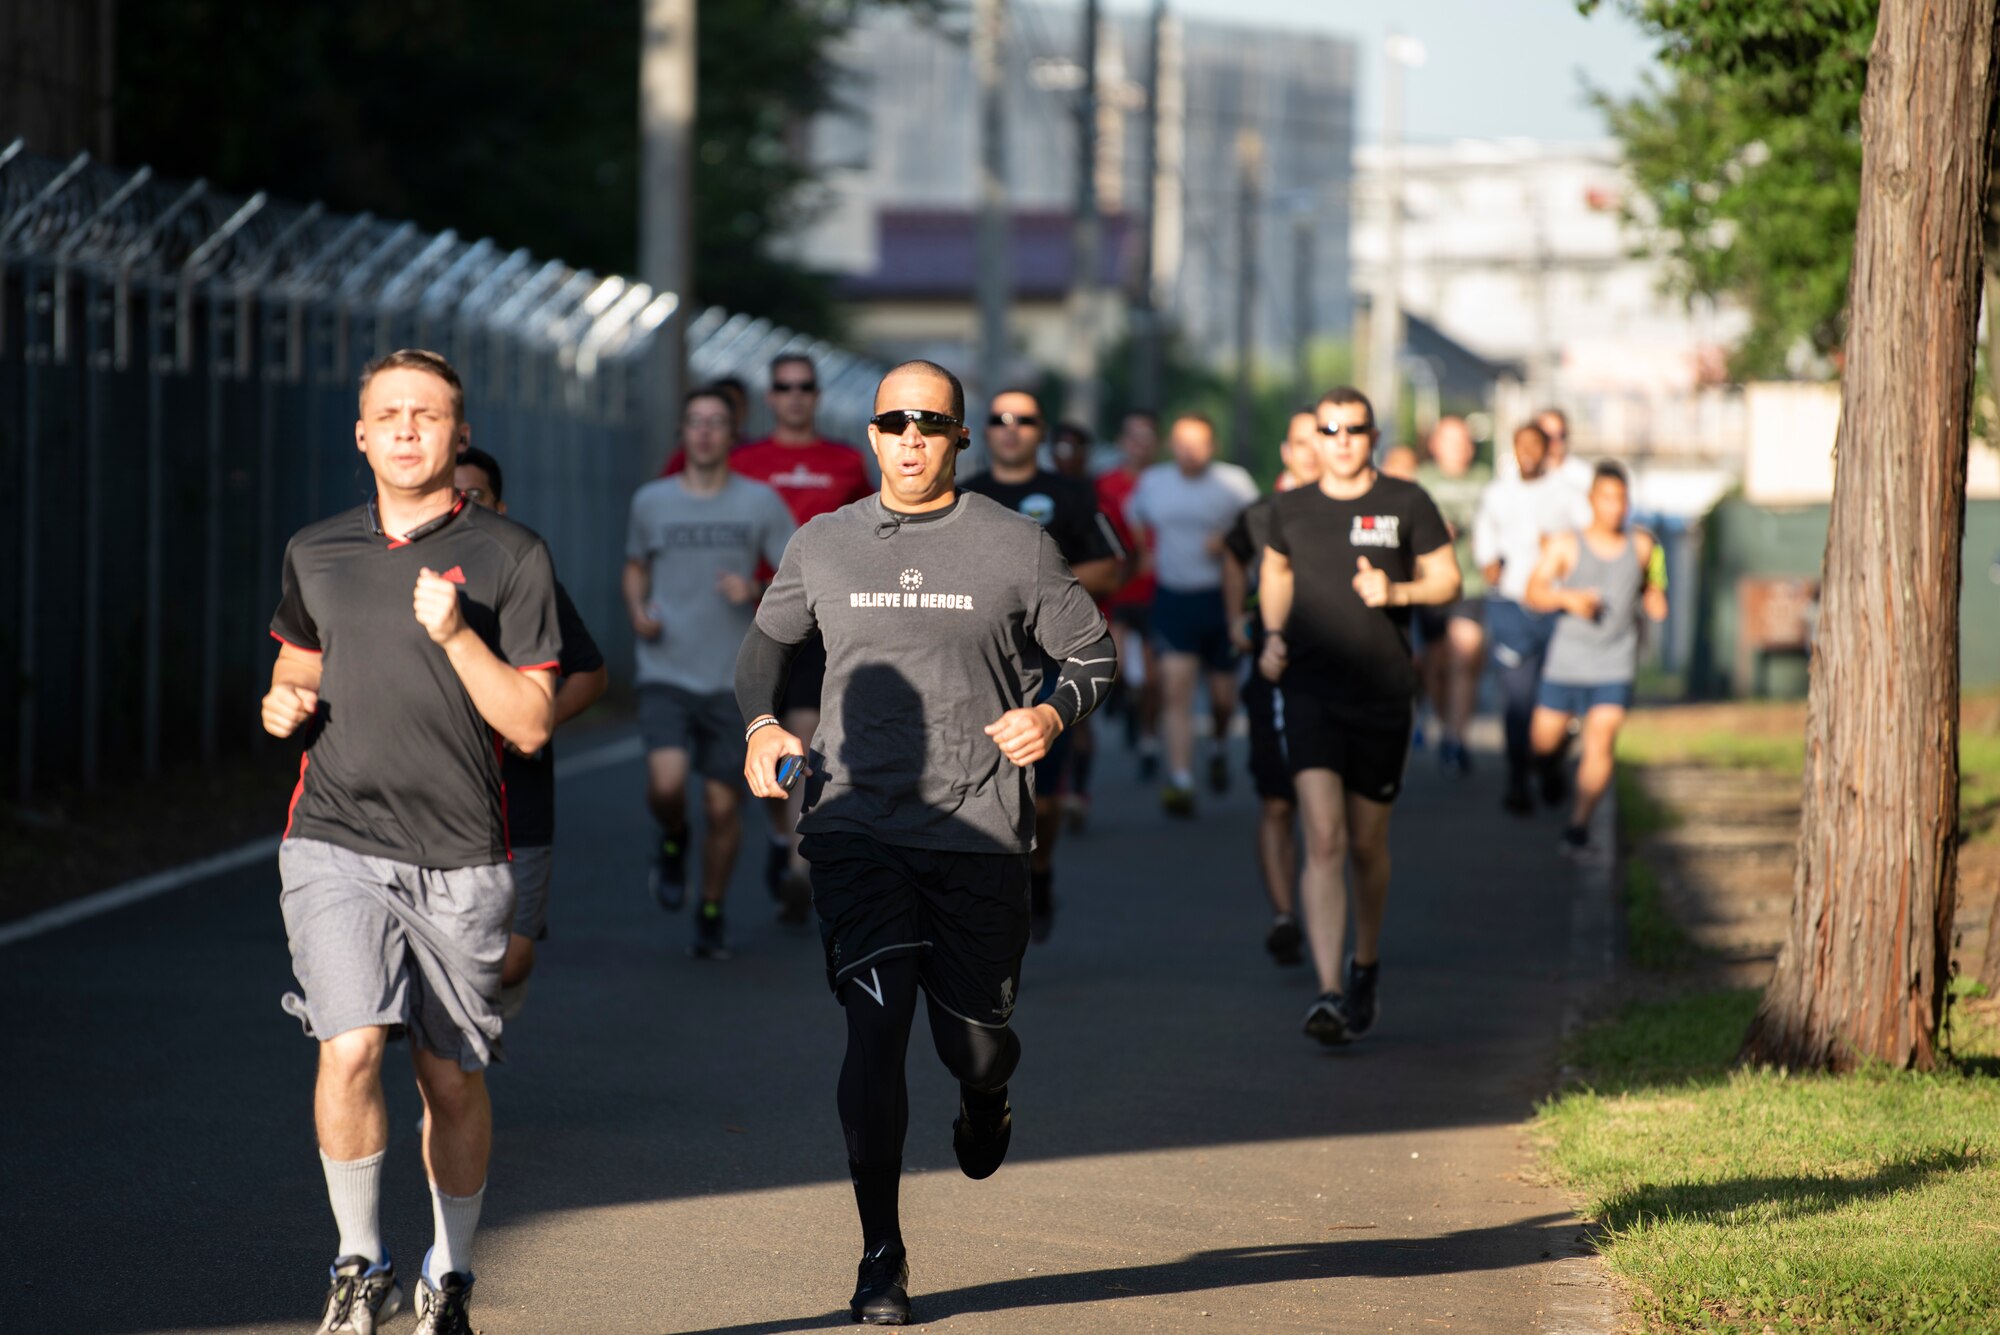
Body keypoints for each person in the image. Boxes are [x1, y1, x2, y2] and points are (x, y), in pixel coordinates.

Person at [735, 360, 1115, 1326]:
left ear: (959, 439)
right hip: (856, 822)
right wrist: (764, 727)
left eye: (931, 423)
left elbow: (1092, 651)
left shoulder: (1014, 542)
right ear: (871, 434)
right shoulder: (824, 541)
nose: (911, 437)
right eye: (894, 421)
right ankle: (880, 1254)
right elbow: (764, 649)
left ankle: (986, 1102)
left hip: (980, 828)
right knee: (874, 1028)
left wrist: (1052, 713)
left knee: (974, 1047)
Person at [263, 349, 562, 1335]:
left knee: (446, 1073)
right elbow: (297, 671)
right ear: (360, 433)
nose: (404, 429)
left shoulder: (510, 556)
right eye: (385, 414)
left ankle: (454, 1269)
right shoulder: (316, 550)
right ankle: (358, 1262)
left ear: (457, 433)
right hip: (334, 839)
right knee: (348, 1048)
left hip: (462, 856)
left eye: (425, 415)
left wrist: (457, 636)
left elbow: (529, 723)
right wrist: (280, 703)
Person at [1258, 387, 1459, 1045]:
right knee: (1323, 836)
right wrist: (1273, 634)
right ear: (1313, 436)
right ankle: (1329, 990)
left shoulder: (1407, 501)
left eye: (1354, 429)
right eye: (1330, 429)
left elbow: (1447, 578)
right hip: (1311, 688)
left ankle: (1364, 960)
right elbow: (1277, 571)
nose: (1341, 440)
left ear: (1373, 435)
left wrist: (1396, 589)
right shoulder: (1289, 507)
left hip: (1381, 692)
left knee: (1367, 844)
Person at [661, 354, 875, 911]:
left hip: (824, 624)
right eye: (784, 386)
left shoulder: (846, 461)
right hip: (752, 624)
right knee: (763, 743)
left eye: (805, 386)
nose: (795, 395)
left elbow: (871, 534)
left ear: (818, 395)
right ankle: (782, 835)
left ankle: (798, 864)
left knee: (804, 739)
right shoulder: (743, 459)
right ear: (769, 397)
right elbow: (676, 503)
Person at [624, 387, 796, 955]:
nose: (703, 432)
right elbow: (634, 566)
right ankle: (673, 839)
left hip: (734, 676)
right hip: (666, 668)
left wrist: (756, 587)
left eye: (715, 423)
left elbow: (800, 581)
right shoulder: (652, 501)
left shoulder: (761, 502)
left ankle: (711, 907)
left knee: (724, 806)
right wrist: (637, 609)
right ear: (683, 432)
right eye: (693, 422)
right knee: (667, 784)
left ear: (731, 434)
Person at [962, 390, 1123, 941]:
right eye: (999, 420)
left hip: (1052, 658)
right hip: (977, 660)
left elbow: (1110, 566)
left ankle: (1042, 868)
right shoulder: (964, 495)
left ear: (1041, 431)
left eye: (1023, 420)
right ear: (982, 431)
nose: (1010, 428)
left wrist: (1037, 586)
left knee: (1047, 800)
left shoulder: (1072, 493)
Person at [452, 447, 608, 1015]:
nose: (463, 506)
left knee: (510, 958)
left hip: (518, 799)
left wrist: (535, 722)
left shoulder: (524, 573)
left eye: (477, 497)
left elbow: (590, 673)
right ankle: (451, 1064)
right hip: (431, 800)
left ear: (500, 506)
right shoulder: (406, 573)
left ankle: (461, 1035)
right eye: (453, 495)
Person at [1221, 409, 1322, 967]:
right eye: (1301, 442)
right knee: (1279, 802)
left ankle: (1324, 906)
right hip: (1273, 666)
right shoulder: (1260, 514)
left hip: (1337, 670)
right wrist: (1236, 616)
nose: (1311, 451)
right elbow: (1234, 557)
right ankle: (1286, 914)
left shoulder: (1350, 515)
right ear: (1286, 450)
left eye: (1321, 440)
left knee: (1326, 808)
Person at [1526, 463, 1667, 851]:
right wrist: (1565, 598)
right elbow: (1533, 591)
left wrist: (1655, 600)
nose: (1615, 507)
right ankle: (1550, 766)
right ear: (1592, 501)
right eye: (1607, 498)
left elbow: (1655, 587)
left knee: (1601, 740)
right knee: (1542, 741)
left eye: (1621, 499)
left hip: (1614, 660)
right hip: (1567, 659)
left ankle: (1578, 825)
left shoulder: (1643, 546)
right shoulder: (1566, 544)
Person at [1128, 413, 1260, 815]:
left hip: (1222, 600)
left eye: (1199, 443)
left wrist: (1228, 541)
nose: (1190, 451)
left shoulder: (1234, 483)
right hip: (1174, 598)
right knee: (1174, 690)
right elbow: (1133, 516)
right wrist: (1146, 552)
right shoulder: (1154, 482)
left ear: (1213, 446)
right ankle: (1180, 779)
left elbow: (1262, 526)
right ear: (1171, 445)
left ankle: (1219, 744)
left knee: (1223, 699)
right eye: (1182, 442)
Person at [1473, 422, 1592, 815]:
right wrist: (1489, 563)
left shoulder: (1568, 494)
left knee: (1554, 701)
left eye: (1535, 446)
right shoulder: (1498, 492)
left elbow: (1589, 541)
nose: (1527, 452)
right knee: (1518, 699)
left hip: (1556, 609)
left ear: (1548, 450)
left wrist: (1559, 551)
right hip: (1511, 606)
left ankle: (1550, 764)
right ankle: (1518, 779)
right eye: (1520, 444)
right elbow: (1484, 538)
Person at [1413, 416, 1493, 775]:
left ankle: (1456, 738)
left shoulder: (1486, 481)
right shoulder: (1421, 481)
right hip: (1429, 584)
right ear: (1435, 444)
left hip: (1470, 583)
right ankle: (1445, 724)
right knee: (1437, 664)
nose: (1458, 448)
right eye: (1450, 440)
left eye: (1463, 441)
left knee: (1465, 655)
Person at [1096, 410, 1164, 777]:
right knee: (1116, 666)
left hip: (1156, 591)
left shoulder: (1168, 484)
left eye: (1147, 438)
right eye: (1133, 438)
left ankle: (1149, 741)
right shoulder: (1106, 485)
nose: (1139, 446)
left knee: (1154, 679)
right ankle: (1123, 702)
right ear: (1123, 443)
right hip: (1118, 590)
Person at [1537, 406, 1595, 498]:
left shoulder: (1584, 474)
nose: (1555, 441)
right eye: (1548, 436)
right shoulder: (1520, 474)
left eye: (1561, 435)